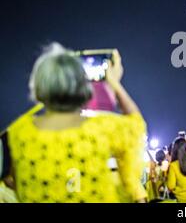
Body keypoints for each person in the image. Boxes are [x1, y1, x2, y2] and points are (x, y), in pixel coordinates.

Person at [6, 43, 147, 203]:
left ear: (39, 87)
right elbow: (135, 124)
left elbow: (13, 180)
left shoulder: (19, 132)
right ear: (83, 87)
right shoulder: (101, 128)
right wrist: (114, 83)